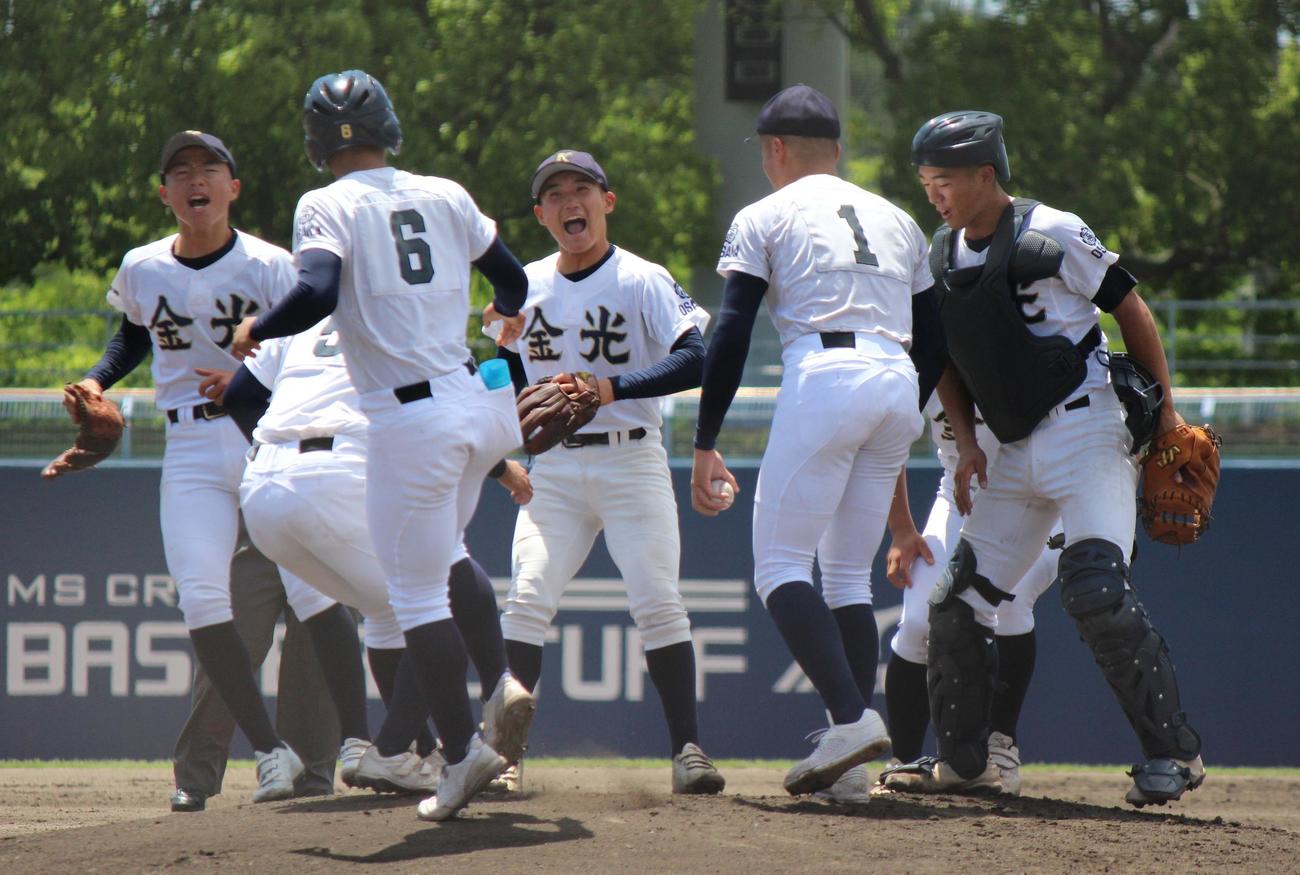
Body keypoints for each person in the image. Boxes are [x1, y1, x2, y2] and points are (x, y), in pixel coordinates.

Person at [229, 69, 535, 822]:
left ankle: (461, 754)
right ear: (389, 129)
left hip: (408, 422)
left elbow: (320, 290)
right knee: (446, 563)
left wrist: (257, 328)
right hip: (479, 405)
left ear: (315, 142)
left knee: (413, 597)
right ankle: (497, 685)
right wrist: (501, 319)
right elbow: (515, 280)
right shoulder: (446, 192)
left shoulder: (324, 201)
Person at [911, 109, 1203, 806]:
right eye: (925, 180)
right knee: (952, 606)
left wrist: (1165, 412)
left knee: (1095, 586)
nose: (934, 193)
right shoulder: (939, 254)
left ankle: (1175, 755)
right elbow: (944, 356)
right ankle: (969, 762)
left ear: (987, 174)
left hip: (1087, 427)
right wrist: (966, 439)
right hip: (1009, 448)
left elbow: (1130, 307)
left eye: (944, 179)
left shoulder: (1056, 231)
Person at [690, 85, 946, 802]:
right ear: (836, 150)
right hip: (897, 378)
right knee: (843, 579)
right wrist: (902, 403)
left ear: (775, 150)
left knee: (778, 566)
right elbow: (937, 339)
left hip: (826, 370)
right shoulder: (898, 218)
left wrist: (706, 438)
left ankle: (850, 721)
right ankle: (853, 771)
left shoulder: (764, 213)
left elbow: (732, 328)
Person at [74, 130, 345, 803]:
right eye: (181, 171)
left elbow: (312, 348)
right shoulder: (142, 266)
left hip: (268, 436)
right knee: (204, 600)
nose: (196, 180)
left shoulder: (272, 264)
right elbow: (136, 331)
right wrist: (97, 379)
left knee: (316, 596)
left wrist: (257, 386)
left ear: (234, 187)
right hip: (190, 447)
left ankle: (352, 747)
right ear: (165, 193)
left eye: (210, 168)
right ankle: (270, 752)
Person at [212, 315, 534, 796]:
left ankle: (417, 754)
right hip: (342, 473)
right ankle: (435, 726)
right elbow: (450, 412)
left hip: (262, 491)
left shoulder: (306, 322)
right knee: (446, 591)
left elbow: (237, 396)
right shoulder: (408, 316)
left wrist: (273, 442)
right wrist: (502, 457)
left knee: (389, 612)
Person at [490, 149, 725, 795]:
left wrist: (606, 388)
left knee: (656, 598)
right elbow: (494, 365)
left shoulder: (641, 278)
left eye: (583, 188)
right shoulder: (522, 285)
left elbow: (698, 357)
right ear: (541, 213)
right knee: (528, 596)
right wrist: (503, 432)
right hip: (553, 471)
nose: (572, 201)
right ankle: (506, 759)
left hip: (631, 456)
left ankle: (688, 752)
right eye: (556, 193)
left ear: (607, 201)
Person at [871, 395, 1059, 797]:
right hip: (961, 493)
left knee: (1006, 603)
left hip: (1038, 498)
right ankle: (902, 761)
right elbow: (886, 442)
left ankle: (1000, 747)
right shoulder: (922, 347)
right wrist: (902, 529)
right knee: (921, 619)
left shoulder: (1022, 333)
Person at [170, 533, 344, 811]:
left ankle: (311, 781)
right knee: (228, 650)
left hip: (321, 533)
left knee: (317, 665)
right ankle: (194, 781)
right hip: (256, 535)